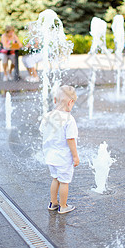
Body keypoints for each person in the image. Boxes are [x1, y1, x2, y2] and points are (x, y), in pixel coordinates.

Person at [39, 85, 79, 214]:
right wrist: (75, 156)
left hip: (50, 155)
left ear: (55, 100)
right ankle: (63, 205)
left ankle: (53, 202)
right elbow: (70, 139)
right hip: (63, 157)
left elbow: (42, 131)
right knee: (64, 182)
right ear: (70, 102)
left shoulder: (48, 116)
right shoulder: (69, 119)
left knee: (55, 178)